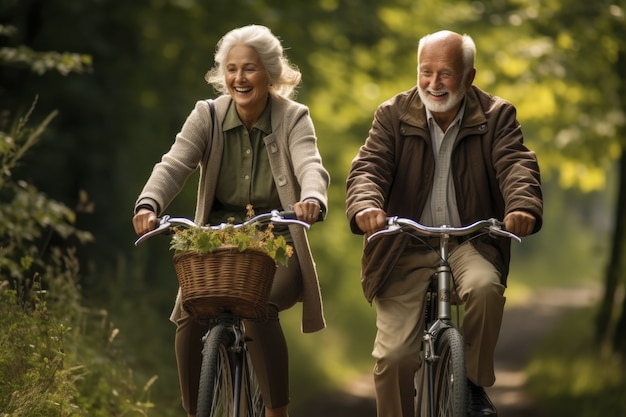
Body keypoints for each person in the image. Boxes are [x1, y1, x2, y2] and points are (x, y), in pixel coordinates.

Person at [132, 25, 330, 417]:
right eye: (232, 69)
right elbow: (175, 163)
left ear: (271, 74)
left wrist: (311, 198)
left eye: (250, 69)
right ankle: (196, 410)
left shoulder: (293, 118)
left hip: (276, 242)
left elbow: (310, 163)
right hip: (216, 240)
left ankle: (276, 410)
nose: (240, 78)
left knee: (259, 305)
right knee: (190, 313)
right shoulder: (207, 115)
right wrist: (148, 203)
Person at [345, 30, 543, 417]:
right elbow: (368, 168)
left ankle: (471, 385)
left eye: (446, 74)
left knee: (485, 288)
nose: (434, 84)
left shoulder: (497, 115)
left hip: (472, 241)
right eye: (426, 72)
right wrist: (366, 205)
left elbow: (517, 165)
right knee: (395, 359)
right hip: (403, 244)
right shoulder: (392, 114)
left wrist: (522, 206)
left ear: (469, 77)